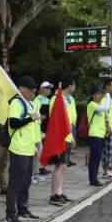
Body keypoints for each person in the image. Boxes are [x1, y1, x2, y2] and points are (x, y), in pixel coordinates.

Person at [4, 76, 41, 222]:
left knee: (26, 181)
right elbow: (13, 123)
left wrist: (33, 147)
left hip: (28, 148)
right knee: (15, 182)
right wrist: (30, 118)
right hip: (18, 148)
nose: (33, 93)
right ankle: (11, 214)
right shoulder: (16, 103)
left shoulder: (30, 103)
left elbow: (30, 130)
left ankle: (23, 209)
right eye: (31, 90)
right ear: (22, 89)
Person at [48, 79, 75, 207]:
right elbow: (55, 119)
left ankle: (59, 192)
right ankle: (55, 195)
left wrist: (71, 136)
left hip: (67, 136)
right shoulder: (56, 99)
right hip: (59, 137)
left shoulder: (68, 99)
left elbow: (69, 120)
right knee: (60, 165)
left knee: (63, 166)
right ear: (69, 85)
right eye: (74, 85)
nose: (74, 87)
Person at [86, 85, 110, 188]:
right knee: (94, 158)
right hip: (94, 134)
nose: (101, 95)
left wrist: (108, 125)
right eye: (99, 93)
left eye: (102, 93)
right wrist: (108, 95)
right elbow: (105, 107)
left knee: (98, 157)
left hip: (101, 134)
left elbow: (105, 115)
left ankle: (95, 177)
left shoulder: (99, 104)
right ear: (93, 95)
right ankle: (93, 179)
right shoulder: (91, 105)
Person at [35, 82, 53, 178]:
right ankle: (38, 169)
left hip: (46, 128)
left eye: (50, 88)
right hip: (39, 129)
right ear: (41, 89)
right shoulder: (37, 99)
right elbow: (35, 112)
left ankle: (42, 167)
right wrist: (40, 118)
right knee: (39, 150)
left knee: (44, 149)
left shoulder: (48, 100)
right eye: (47, 88)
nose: (49, 89)